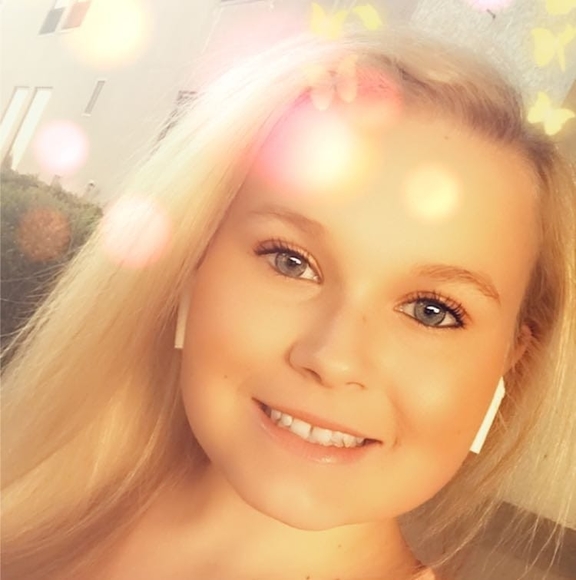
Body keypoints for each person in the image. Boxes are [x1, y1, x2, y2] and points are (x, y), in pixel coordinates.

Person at [2, 27, 575, 580]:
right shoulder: (26, 496)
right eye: (290, 261)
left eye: (432, 310)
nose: (334, 358)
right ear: (191, 266)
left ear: (511, 358)